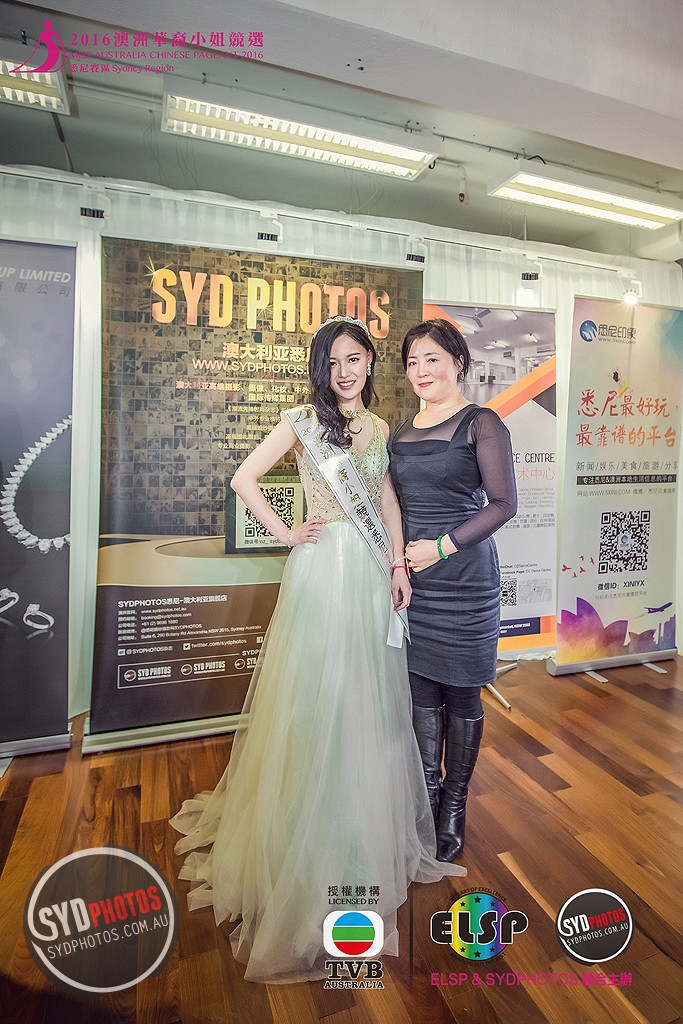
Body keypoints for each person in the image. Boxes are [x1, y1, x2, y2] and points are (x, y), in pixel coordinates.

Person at [170, 315, 465, 985]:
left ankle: (357, 829)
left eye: (354, 359)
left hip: (368, 571)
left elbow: (385, 500)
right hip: (321, 570)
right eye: (332, 362)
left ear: (369, 363)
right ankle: (301, 835)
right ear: (320, 368)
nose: (344, 372)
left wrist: (397, 563)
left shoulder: (381, 428)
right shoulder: (302, 420)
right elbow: (244, 478)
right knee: (316, 698)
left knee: (364, 701)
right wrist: (287, 533)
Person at [388, 319, 517, 863]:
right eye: (412, 361)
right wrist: (400, 563)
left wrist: (441, 547)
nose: (421, 371)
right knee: (420, 692)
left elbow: (503, 504)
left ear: (458, 362)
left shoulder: (481, 423)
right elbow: (392, 505)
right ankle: (428, 798)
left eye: (432, 359)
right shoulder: (400, 430)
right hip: (415, 585)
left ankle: (455, 805)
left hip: (465, 581)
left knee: (463, 693)